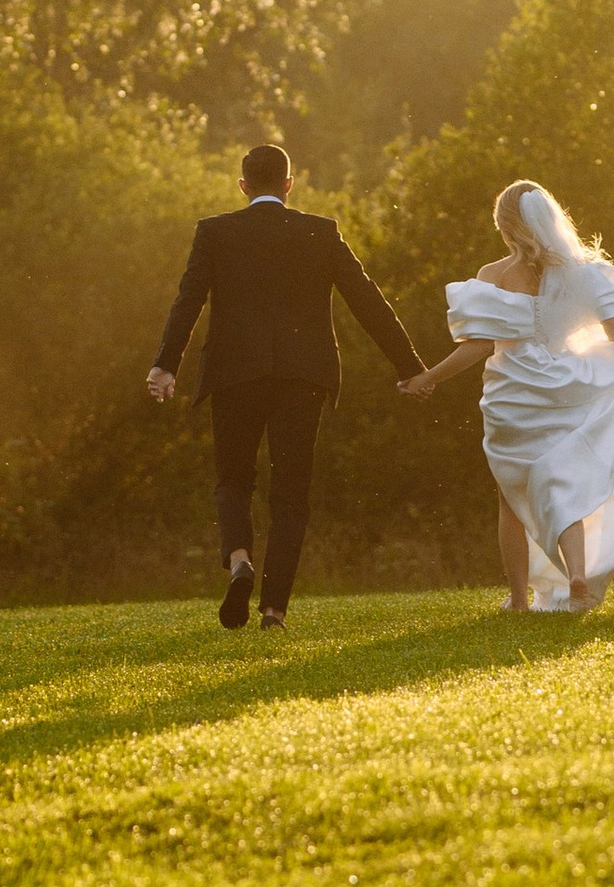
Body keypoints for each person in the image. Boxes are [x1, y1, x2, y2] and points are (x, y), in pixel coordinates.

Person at [400, 178, 614, 613]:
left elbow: (477, 345)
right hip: (567, 385)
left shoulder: (495, 276)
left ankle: (518, 597)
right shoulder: (585, 271)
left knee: (511, 497)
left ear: (506, 225)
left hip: (515, 393)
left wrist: (427, 377)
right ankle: (578, 572)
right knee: (564, 484)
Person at [147, 146, 424, 628]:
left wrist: (165, 365)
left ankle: (238, 560)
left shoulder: (216, 232)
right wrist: (410, 367)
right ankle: (274, 609)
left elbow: (187, 300)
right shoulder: (320, 233)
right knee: (291, 494)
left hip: (234, 375)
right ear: (289, 184)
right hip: (303, 377)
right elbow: (367, 300)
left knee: (233, 479)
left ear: (243, 186)